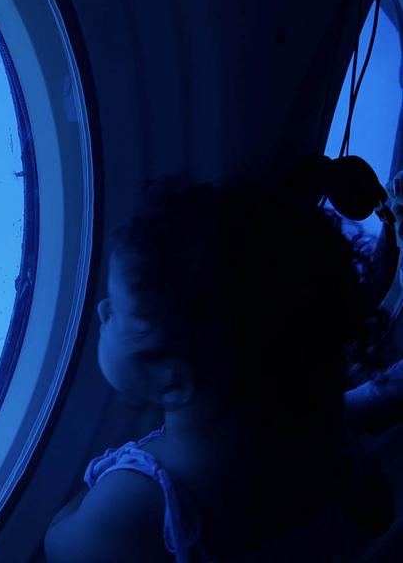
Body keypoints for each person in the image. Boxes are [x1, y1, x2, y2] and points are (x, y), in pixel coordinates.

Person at [44, 175, 394, 562]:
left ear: (172, 380)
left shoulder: (134, 501)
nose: (101, 311)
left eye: (117, 312)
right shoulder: (301, 427)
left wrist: (86, 497)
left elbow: (57, 544)